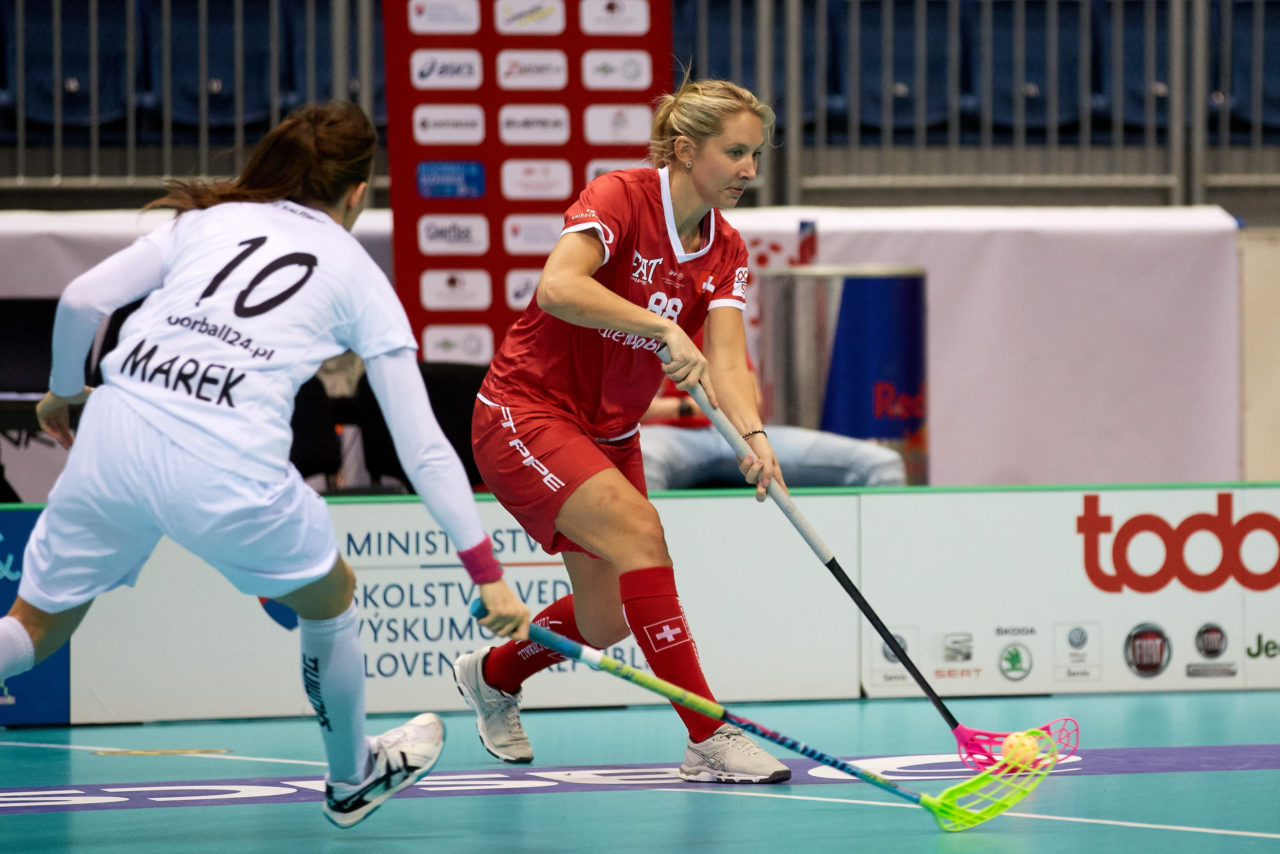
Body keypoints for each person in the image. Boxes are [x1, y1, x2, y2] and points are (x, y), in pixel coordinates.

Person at [0, 101, 531, 828]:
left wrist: (63, 394)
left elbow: (82, 298)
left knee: (32, 632)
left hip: (116, 430)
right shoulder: (358, 274)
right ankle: (352, 776)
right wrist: (486, 573)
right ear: (355, 194)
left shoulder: (204, 221)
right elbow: (424, 446)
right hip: (224, 463)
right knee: (332, 595)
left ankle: (353, 768)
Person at [455, 78, 791, 784]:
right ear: (684, 149)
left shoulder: (725, 249)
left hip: (608, 432)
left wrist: (755, 437)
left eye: (755, 155)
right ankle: (708, 733)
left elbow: (727, 359)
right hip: (526, 409)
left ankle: (493, 674)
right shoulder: (620, 197)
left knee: (607, 618)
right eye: (735, 153)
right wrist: (661, 324)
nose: (749, 172)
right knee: (644, 534)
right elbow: (558, 287)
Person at [640, 354, 906, 491]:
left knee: (882, 465)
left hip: (733, 431)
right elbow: (617, 408)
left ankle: (883, 578)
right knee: (642, 459)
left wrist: (752, 433)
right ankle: (654, 579)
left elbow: (752, 399)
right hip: (663, 435)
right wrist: (686, 408)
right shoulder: (630, 312)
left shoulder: (710, 303)